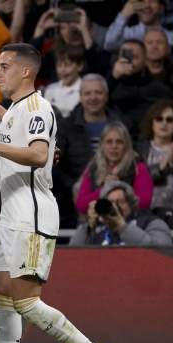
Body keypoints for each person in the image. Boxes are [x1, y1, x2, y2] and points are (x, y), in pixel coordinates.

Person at [0, 43, 111, 343]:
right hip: (10, 216)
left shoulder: (39, 106)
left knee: (26, 301)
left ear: (25, 71)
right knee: (3, 297)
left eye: (4, 66)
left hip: (32, 212)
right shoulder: (16, 109)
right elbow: (13, 132)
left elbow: (39, 154)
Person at [54, 74, 125, 228]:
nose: (93, 97)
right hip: (72, 205)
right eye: (88, 93)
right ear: (80, 97)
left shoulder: (122, 125)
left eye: (98, 92)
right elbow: (55, 165)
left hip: (116, 198)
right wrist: (75, 187)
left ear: (106, 96)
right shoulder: (66, 127)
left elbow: (131, 159)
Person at [76, 121, 153, 215]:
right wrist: (105, 189)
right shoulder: (93, 168)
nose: (114, 146)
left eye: (119, 142)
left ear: (126, 145)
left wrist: (119, 187)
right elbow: (81, 205)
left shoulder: (138, 167)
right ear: (102, 145)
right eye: (109, 142)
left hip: (131, 223)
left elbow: (144, 202)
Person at [69, 180, 172, 246]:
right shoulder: (95, 228)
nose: (115, 207)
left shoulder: (150, 222)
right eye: (110, 203)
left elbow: (162, 251)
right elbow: (72, 256)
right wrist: (88, 228)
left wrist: (123, 228)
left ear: (131, 203)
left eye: (120, 202)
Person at [137, 100, 173, 227]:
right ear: (152, 122)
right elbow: (135, 181)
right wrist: (160, 168)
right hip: (143, 217)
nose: (164, 123)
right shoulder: (139, 150)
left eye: (170, 120)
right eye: (159, 119)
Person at [109, 39, 172, 135]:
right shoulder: (110, 84)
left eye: (133, 57)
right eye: (124, 56)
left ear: (145, 60)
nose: (127, 61)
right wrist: (113, 78)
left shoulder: (158, 88)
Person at [104, 0, 173, 52]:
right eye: (141, 1)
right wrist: (124, 15)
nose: (146, 5)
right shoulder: (128, 33)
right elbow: (109, 45)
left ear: (161, 8)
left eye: (152, 0)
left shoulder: (172, 37)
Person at [43, 46, 84, 118]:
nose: (63, 70)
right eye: (59, 65)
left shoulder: (85, 89)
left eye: (68, 65)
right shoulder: (51, 89)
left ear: (80, 66)